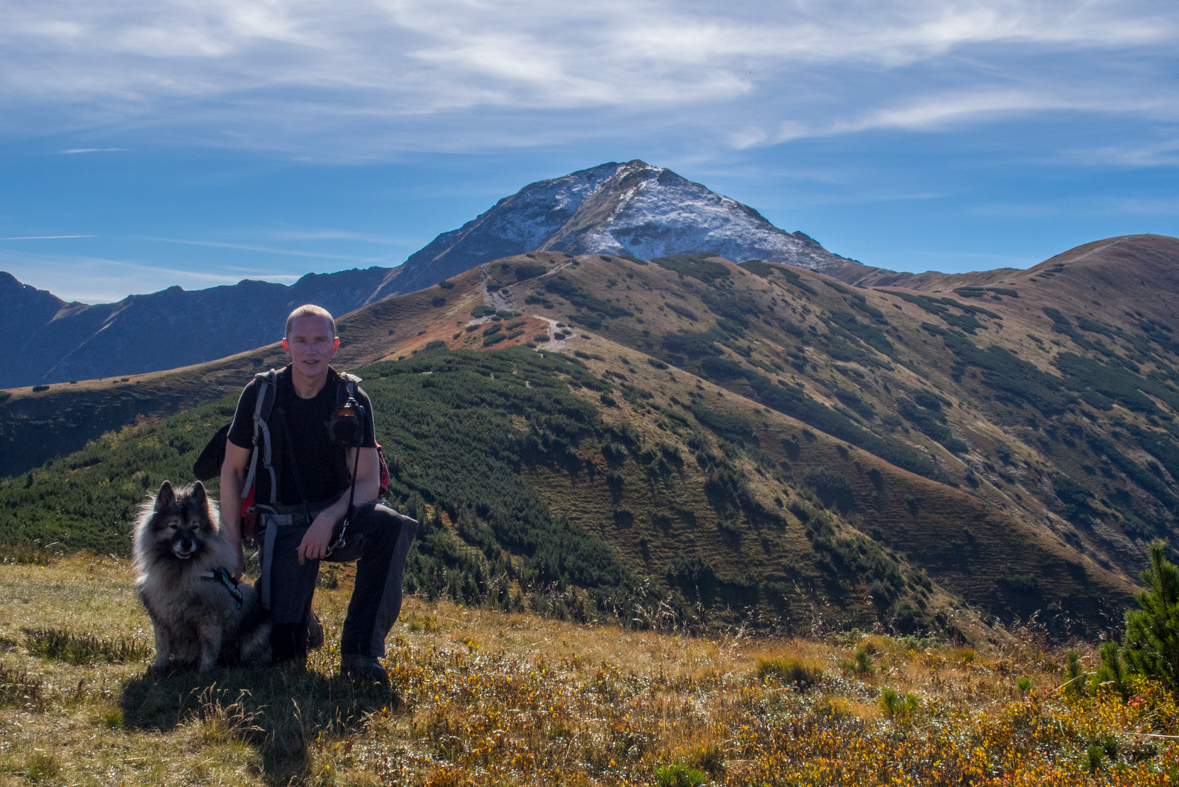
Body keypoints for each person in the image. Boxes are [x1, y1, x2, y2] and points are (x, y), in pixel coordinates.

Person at [219, 304, 417, 684]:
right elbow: (231, 468)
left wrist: (328, 518)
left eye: (320, 341)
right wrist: (232, 544)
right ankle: (297, 613)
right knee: (282, 653)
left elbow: (367, 482)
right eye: (302, 341)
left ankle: (361, 654)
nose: (311, 351)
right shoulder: (260, 395)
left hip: (338, 520)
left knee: (390, 526)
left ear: (335, 346)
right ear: (286, 346)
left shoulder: (352, 398)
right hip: (280, 524)